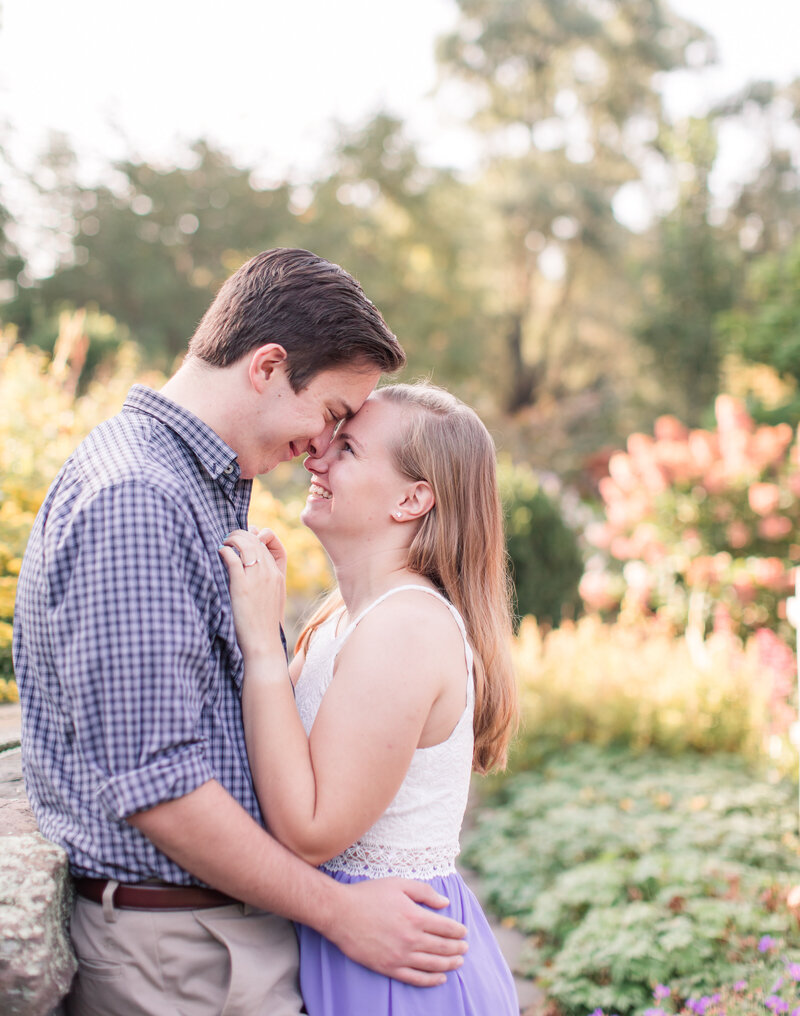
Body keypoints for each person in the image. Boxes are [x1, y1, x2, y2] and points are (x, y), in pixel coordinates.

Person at [13, 249, 470, 1016]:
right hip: (180, 957)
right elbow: (159, 787)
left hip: (208, 943)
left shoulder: (200, 484)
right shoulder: (139, 500)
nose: (321, 448)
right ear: (267, 366)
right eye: (329, 415)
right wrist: (339, 912)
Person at [220, 381, 520, 1015]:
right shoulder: (340, 618)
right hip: (350, 947)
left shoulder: (405, 626)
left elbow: (309, 831)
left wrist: (263, 647)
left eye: (347, 448)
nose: (316, 457)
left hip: (397, 972)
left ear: (413, 499)